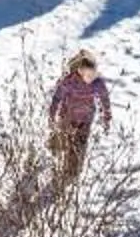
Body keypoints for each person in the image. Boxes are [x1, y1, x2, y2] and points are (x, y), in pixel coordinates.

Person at [48, 49, 112, 181]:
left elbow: (104, 99)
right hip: (67, 118)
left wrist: (106, 115)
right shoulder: (69, 82)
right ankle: (55, 142)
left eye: (94, 74)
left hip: (85, 120)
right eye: (88, 75)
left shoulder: (98, 83)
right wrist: (52, 114)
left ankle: (72, 172)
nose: (92, 78)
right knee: (65, 140)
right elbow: (57, 98)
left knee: (79, 146)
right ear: (80, 71)